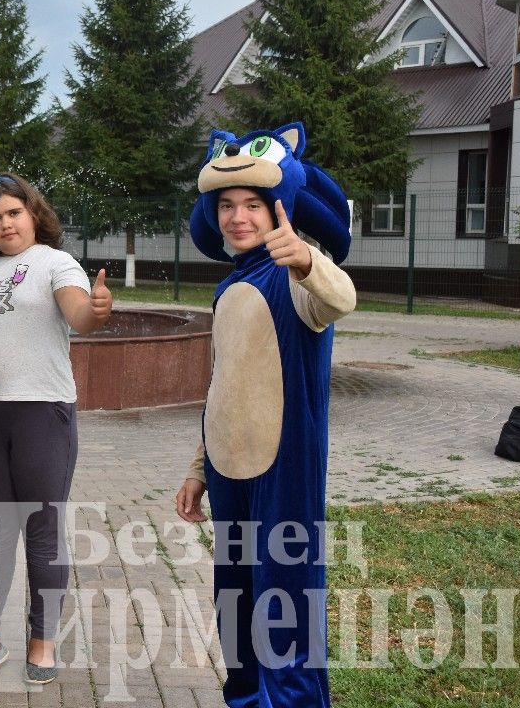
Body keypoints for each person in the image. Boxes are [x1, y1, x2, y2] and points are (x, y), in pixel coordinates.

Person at [175, 123, 355, 708]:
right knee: (237, 604)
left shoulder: (297, 276)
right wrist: (199, 468)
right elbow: (218, 384)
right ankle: (247, 699)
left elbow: (339, 299)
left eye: (252, 203)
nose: (238, 216)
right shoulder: (229, 288)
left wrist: (307, 259)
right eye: (226, 205)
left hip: (286, 471)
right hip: (229, 471)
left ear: (280, 206)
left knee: (286, 607)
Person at [0, 173, 111, 686]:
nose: (5, 224)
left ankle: (42, 641)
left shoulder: (55, 262)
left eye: (13, 213)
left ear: (33, 213)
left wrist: (94, 312)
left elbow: (77, 314)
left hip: (42, 413)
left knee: (43, 532)